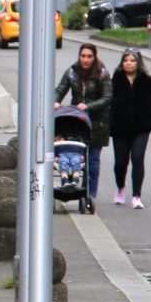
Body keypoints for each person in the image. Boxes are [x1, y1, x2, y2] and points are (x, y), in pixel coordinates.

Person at [55, 43, 112, 211]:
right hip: (77, 120)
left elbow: (107, 97)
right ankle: (71, 184)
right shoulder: (72, 72)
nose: (86, 59)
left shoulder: (102, 73)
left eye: (89, 56)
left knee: (93, 160)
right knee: (75, 155)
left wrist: (89, 106)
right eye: (83, 56)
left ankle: (90, 194)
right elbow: (60, 89)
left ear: (95, 57)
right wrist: (56, 100)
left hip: (97, 122)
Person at [109, 49, 151, 210]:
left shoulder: (149, 81)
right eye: (126, 60)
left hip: (141, 127)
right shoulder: (115, 80)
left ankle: (136, 195)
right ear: (122, 63)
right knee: (120, 162)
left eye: (132, 60)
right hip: (120, 128)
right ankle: (120, 188)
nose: (129, 63)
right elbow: (108, 102)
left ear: (138, 63)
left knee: (138, 158)